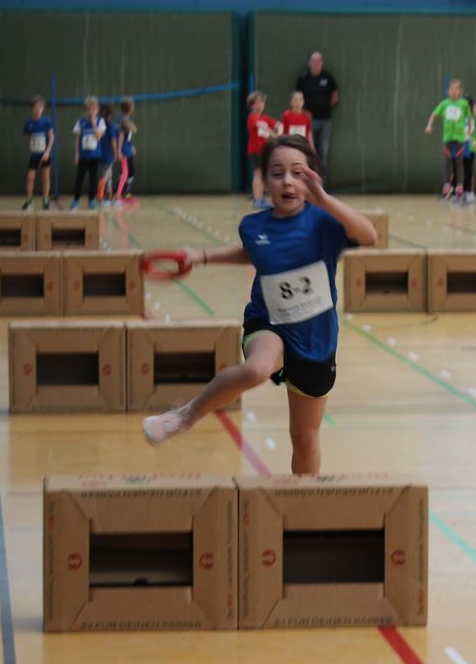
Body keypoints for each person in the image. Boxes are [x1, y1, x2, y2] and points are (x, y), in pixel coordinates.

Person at [142, 134, 378, 475]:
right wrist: (202, 255)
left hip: (316, 338)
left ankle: (302, 501)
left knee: (305, 438)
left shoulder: (325, 223)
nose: (288, 181)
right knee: (257, 368)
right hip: (269, 320)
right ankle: (184, 416)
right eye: (278, 173)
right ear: (264, 180)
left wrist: (324, 199)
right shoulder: (253, 226)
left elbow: (369, 235)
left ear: (312, 178)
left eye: (298, 173)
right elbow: (254, 252)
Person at [425, 79, 472, 201]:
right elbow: (434, 114)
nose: (454, 91)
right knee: (447, 161)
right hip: (447, 137)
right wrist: (429, 125)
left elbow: (469, 117)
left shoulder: (464, 104)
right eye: (452, 89)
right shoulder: (444, 103)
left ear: (460, 91)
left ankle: (459, 186)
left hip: (460, 137)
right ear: (448, 91)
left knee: (459, 161)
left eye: (457, 89)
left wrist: (469, 131)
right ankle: (447, 185)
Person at [296, 52, 338, 181]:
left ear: (322, 63)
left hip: (326, 121)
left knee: (323, 151)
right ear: (310, 63)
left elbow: (335, 97)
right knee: (309, 150)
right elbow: (297, 98)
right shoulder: (303, 78)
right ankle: (308, 180)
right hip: (309, 121)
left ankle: (321, 183)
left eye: (319, 61)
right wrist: (305, 111)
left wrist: (324, 107)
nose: (316, 63)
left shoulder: (328, 78)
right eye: (314, 61)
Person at [247, 91, 283, 210]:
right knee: (258, 173)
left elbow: (279, 125)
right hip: (255, 150)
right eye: (257, 103)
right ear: (252, 105)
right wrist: (275, 135)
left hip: (264, 151)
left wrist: (279, 131)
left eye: (262, 102)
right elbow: (260, 126)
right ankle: (256, 200)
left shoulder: (265, 118)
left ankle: (260, 197)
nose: (260, 105)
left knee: (262, 174)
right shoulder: (253, 117)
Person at [71, 95, 106, 210]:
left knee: (93, 178)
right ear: (85, 109)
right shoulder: (80, 122)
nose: (92, 111)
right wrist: (77, 154)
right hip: (83, 156)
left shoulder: (100, 121)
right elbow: (77, 138)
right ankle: (76, 200)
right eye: (89, 109)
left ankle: (92, 200)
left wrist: (94, 124)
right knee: (79, 178)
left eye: (94, 109)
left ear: (97, 109)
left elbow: (98, 137)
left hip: (95, 156)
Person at [22, 95, 54, 210]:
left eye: (40, 106)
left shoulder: (46, 121)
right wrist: (32, 146)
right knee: (30, 177)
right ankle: (29, 200)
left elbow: (51, 137)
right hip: (34, 155)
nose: (37, 109)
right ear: (31, 108)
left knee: (45, 177)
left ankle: (45, 199)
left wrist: (47, 152)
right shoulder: (28, 123)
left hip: (45, 155)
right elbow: (27, 137)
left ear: (43, 108)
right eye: (35, 106)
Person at [462, 96, 476, 204]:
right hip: (459, 146)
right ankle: (459, 192)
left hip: (470, 147)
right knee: (458, 170)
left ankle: (469, 192)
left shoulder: (473, 116)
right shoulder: (459, 116)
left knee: (469, 170)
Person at [115, 97, 137, 204]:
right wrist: (119, 150)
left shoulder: (127, 118)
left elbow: (127, 137)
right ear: (129, 107)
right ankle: (118, 195)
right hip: (123, 150)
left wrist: (131, 146)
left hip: (127, 149)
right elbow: (121, 136)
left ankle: (125, 193)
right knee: (125, 173)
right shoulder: (122, 119)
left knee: (131, 172)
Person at [96, 102, 118, 207]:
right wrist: (115, 152)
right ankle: (100, 196)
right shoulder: (110, 125)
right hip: (108, 154)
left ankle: (109, 195)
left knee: (108, 175)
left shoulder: (99, 124)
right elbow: (113, 140)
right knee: (105, 176)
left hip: (99, 154)